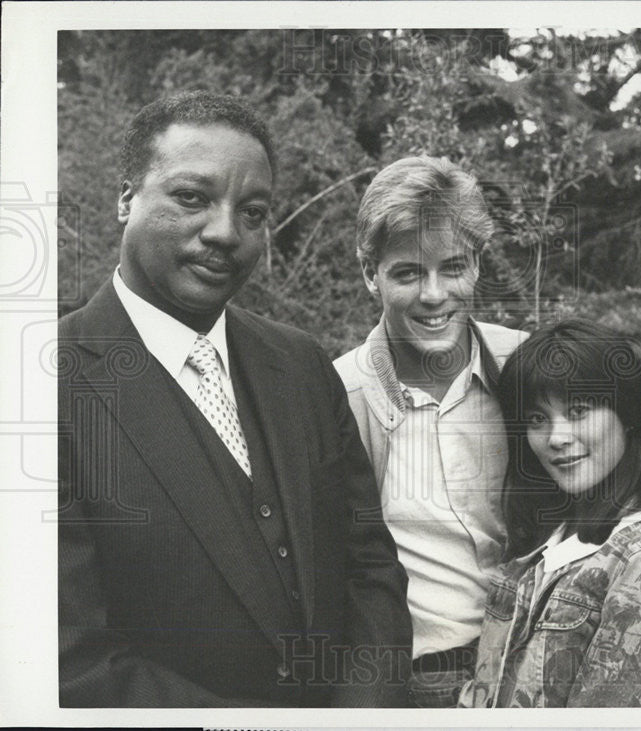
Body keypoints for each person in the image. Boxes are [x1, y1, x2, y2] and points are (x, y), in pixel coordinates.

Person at [58, 91, 411, 707]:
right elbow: (71, 664)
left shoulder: (300, 362)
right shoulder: (42, 388)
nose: (226, 232)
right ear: (125, 200)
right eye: (191, 197)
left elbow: (370, 570)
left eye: (252, 211)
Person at [333, 156, 526, 707]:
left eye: (453, 267)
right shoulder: (335, 396)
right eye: (408, 273)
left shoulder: (524, 366)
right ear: (371, 273)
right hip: (418, 681)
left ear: (478, 264)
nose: (435, 295)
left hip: (534, 654)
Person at [459, 320, 641, 708]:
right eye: (538, 419)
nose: (556, 437)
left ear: (626, 414)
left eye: (578, 411)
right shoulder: (545, 537)